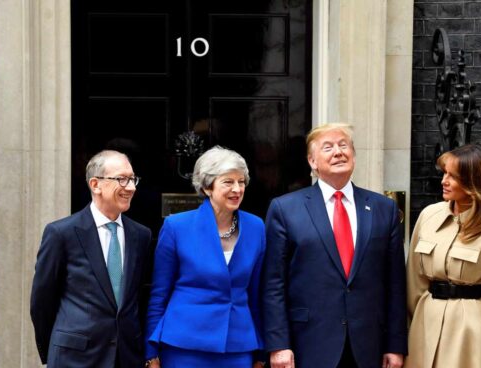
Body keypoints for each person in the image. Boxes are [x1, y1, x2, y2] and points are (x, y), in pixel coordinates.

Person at [263, 123, 407, 368]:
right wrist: (278, 344)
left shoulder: (384, 208)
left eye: (344, 145)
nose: (338, 152)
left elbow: (395, 283)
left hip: (368, 345)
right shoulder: (285, 209)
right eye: (328, 147)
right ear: (312, 161)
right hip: (308, 344)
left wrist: (395, 345)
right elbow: (273, 283)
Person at [145, 146, 265, 368]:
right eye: (228, 182)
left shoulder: (256, 227)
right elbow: (159, 294)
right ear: (208, 187)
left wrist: (261, 351)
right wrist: (151, 352)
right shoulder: (176, 226)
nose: (237, 189)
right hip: (184, 345)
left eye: (241, 182)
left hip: (238, 346)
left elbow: (257, 294)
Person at [30, 150, 152, 367]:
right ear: (95, 184)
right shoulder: (61, 233)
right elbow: (42, 301)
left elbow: (140, 298)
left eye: (133, 179)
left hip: (127, 357)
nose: (131, 187)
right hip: (74, 358)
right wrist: (54, 350)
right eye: (122, 179)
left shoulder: (141, 235)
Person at [405, 143, 481, 368]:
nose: (443, 181)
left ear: (474, 182)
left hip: (469, 331)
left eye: (453, 176)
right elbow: (414, 283)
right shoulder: (429, 216)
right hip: (423, 326)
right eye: (444, 173)